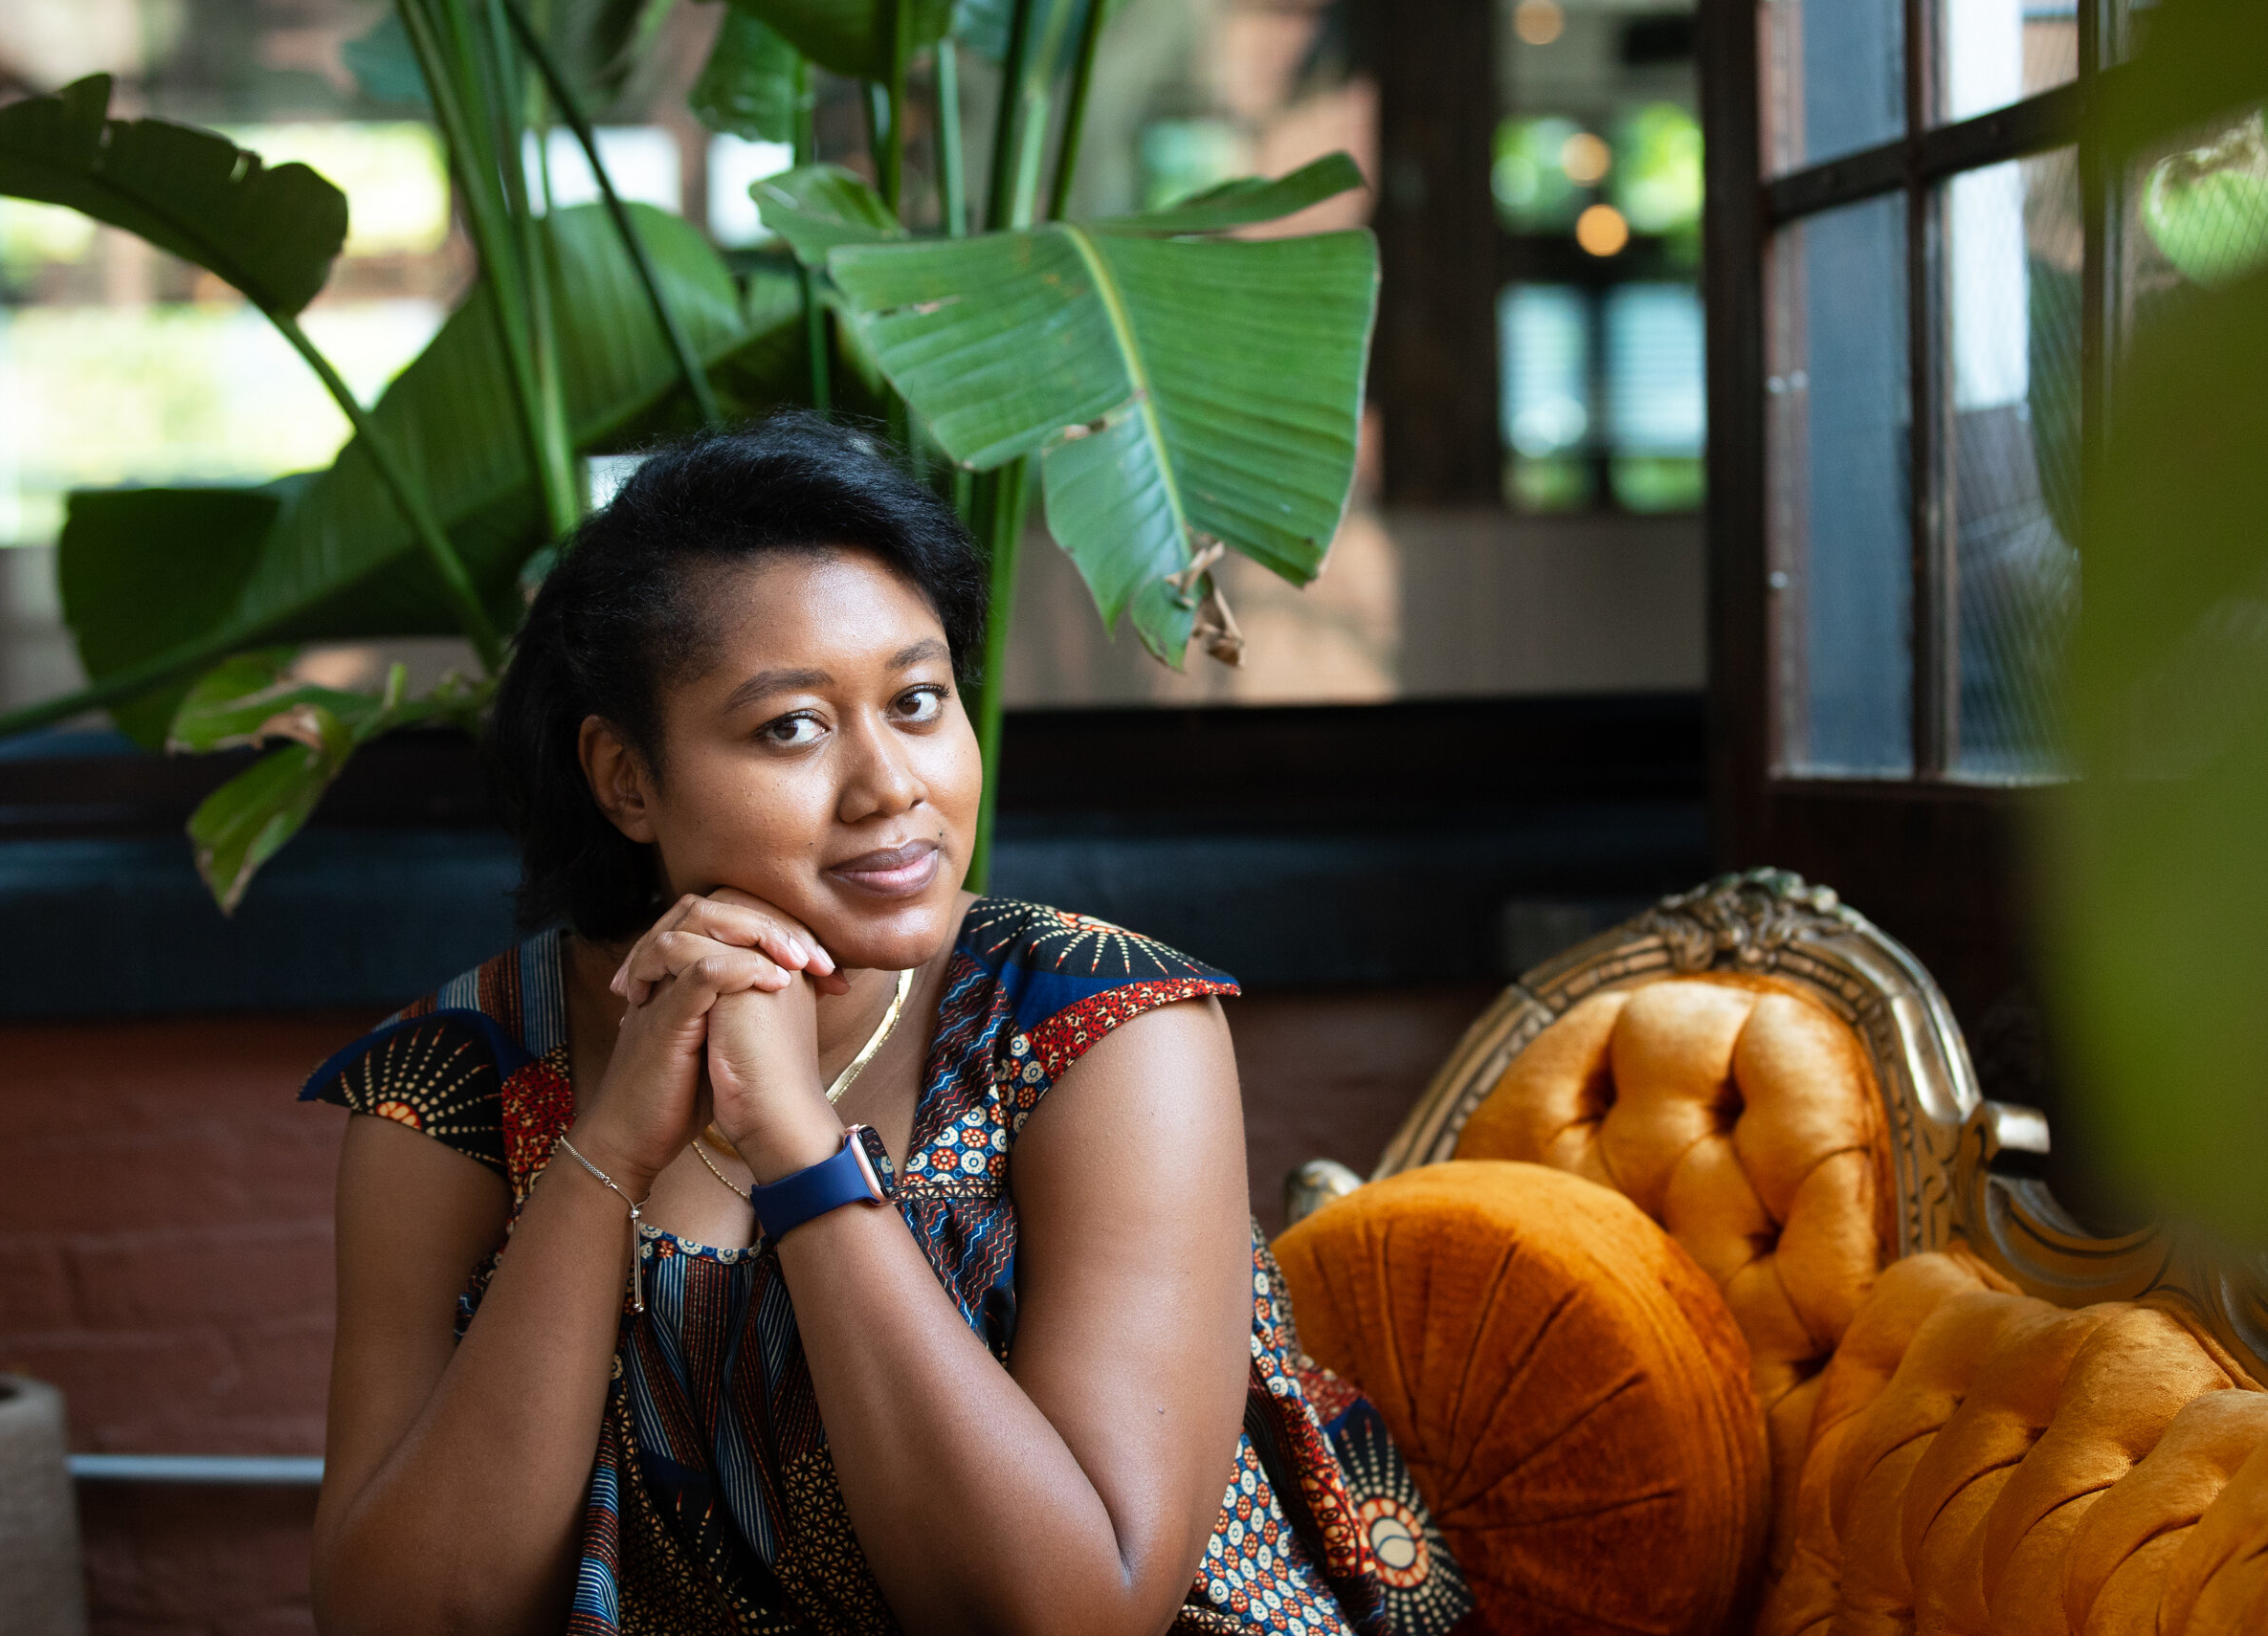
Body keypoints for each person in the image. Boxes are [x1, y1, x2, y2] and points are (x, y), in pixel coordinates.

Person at [300, 415, 1480, 1636]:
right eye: (791, 727)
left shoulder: (1096, 1024)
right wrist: (604, 1154)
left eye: (918, 700)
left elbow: (1074, 1614)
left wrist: (796, 1145)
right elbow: (402, 1614)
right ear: (625, 780)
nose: (890, 785)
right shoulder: (454, 1080)